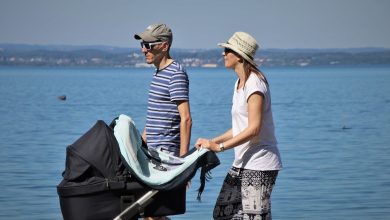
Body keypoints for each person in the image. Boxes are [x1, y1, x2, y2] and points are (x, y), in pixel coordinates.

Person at [195, 32, 282, 220]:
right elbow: (241, 127)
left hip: (260, 163)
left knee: (254, 217)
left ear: (240, 56)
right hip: (242, 162)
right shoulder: (239, 84)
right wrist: (212, 141)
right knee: (222, 214)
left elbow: (254, 128)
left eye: (227, 50)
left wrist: (220, 147)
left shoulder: (255, 84)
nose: (223, 54)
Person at [134, 23, 192, 220]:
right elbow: (155, 117)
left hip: (166, 158)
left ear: (164, 46)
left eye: (149, 45)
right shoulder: (158, 73)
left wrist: (184, 165)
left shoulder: (175, 74)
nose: (144, 50)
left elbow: (186, 119)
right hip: (151, 155)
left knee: (153, 213)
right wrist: (139, 145)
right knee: (149, 213)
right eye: (143, 44)